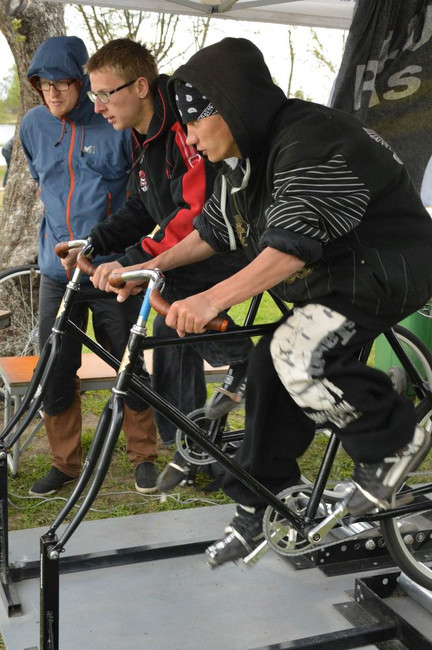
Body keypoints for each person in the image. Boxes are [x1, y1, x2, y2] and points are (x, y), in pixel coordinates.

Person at [109, 37, 432, 568]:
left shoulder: (311, 138)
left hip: (383, 267)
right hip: (332, 276)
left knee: (297, 351)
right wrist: (150, 268)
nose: (190, 138)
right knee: (265, 366)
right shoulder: (241, 157)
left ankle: (391, 442)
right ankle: (265, 499)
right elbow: (213, 231)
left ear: (230, 105)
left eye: (194, 124)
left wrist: (211, 298)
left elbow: (291, 245)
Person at [61, 38, 252, 455]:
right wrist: (95, 242)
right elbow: (139, 206)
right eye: (94, 96)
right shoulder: (142, 133)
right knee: (167, 324)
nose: (98, 107)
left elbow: (197, 213)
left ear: (141, 87)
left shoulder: (183, 125)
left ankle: (248, 365)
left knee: (169, 292)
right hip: (195, 243)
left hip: (230, 238)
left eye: (105, 94)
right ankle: (188, 443)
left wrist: (135, 261)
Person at [19, 35, 159, 496]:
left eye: (62, 82)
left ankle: (144, 456)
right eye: (43, 84)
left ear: (82, 82)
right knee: (56, 366)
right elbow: (42, 182)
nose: (52, 92)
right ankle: (64, 463)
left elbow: (141, 199)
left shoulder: (115, 123)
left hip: (110, 269)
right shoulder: (32, 126)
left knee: (127, 361)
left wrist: (121, 256)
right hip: (56, 272)